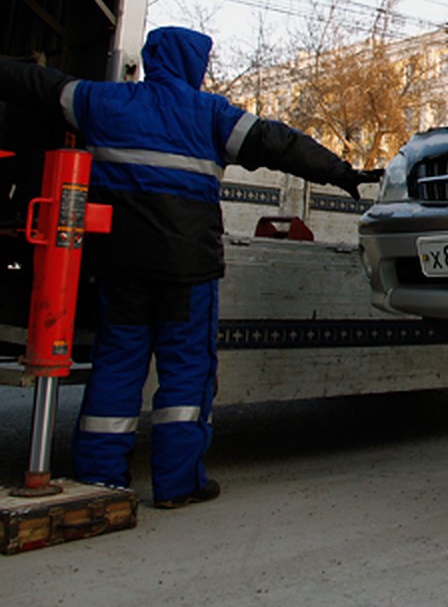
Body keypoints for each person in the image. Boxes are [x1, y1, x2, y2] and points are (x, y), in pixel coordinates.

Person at [0, 27, 379, 509]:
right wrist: (341, 173)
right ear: (196, 66)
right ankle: (179, 484)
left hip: (120, 266)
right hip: (188, 269)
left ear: (152, 59)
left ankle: (99, 478)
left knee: (117, 365)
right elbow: (277, 142)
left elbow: (35, 83)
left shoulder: (100, 102)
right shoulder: (212, 115)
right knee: (186, 373)